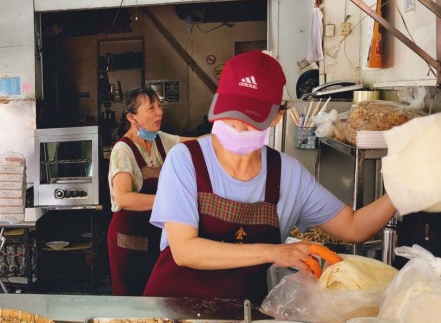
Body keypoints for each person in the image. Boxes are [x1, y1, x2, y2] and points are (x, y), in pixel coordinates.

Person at [144, 51, 396, 303]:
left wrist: (401, 190)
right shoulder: (185, 160)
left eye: (251, 117)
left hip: (243, 320)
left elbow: (353, 227)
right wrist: (273, 252)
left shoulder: (289, 175)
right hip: (172, 312)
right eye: (231, 111)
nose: (237, 125)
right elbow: (185, 251)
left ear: (276, 118)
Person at [107, 87, 185, 296]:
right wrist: (169, 202)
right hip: (128, 238)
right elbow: (123, 198)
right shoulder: (122, 150)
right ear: (131, 117)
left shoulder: (160, 139)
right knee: (132, 302)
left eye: (159, 106)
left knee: (156, 297)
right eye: (151, 108)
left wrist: (225, 137)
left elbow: (196, 143)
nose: (159, 112)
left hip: (155, 234)